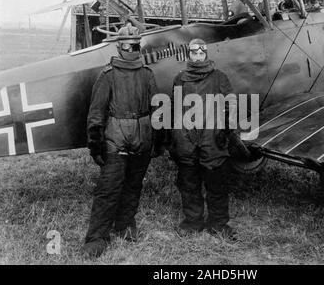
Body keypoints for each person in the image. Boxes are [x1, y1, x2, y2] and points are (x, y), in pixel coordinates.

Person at [81, 23, 159, 258]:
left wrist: (158, 141)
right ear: (118, 46)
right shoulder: (108, 76)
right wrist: (96, 145)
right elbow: (96, 114)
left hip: (142, 138)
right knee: (108, 190)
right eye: (127, 45)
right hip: (115, 140)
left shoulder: (147, 74)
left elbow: (157, 109)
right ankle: (96, 238)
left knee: (134, 185)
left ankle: (125, 225)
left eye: (136, 45)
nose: (132, 48)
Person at [168, 38, 237, 239]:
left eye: (201, 54)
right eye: (194, 54)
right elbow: (173, 107)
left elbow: (231, 103)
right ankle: (193, 221)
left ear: (205, 55)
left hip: (211, 136)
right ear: (188, 55)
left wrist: (227, 131)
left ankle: (218, 223)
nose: (198, 58)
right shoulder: (180, 79)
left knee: (216, 182)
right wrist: (173, 135)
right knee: (188, 181)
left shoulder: (219, 77)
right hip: (187, 136)